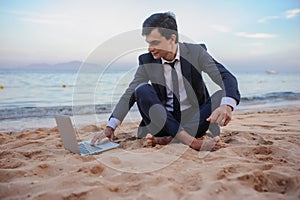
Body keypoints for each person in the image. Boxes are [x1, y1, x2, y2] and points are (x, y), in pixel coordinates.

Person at [91, 12, 240, 151]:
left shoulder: (196, 53)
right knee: (141, 89)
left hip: (195, 121)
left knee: (222, 95)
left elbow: (226, 77)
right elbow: (130, 93)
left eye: (155, 42)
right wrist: (110, 128)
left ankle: (169, 140)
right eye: (148, 43)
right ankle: (191, 141)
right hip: (162, 122)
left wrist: (227, 105)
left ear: (172, 39)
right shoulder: (146, 60)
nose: (150, 48)